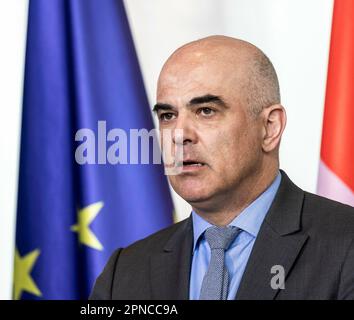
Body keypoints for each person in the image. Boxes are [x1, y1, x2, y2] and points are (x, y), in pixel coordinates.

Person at [89, 35, 354, 300]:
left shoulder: (346, 246)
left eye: (206, 111)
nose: (179, 135)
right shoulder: (124, 272)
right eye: (168, 116)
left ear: (269, 127)